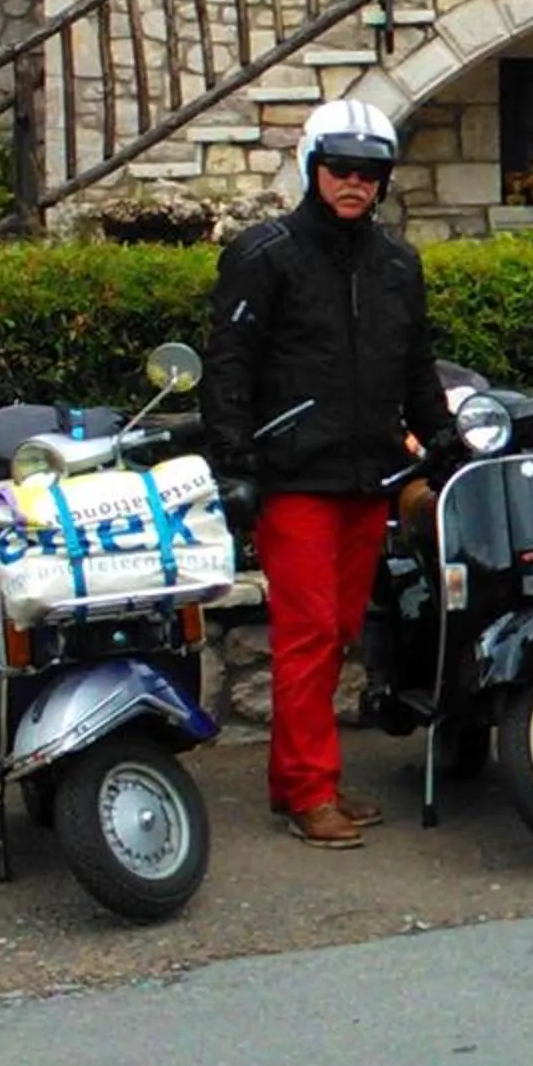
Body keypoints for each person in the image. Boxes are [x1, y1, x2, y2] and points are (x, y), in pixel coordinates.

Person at [203, 99, 456, 848]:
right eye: (340, 168)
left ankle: (297, 779)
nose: (353, 183)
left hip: (368, 474)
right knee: (309, 632)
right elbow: (229, 365)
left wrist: (440, 434)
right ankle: (311, 791)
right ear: (313, 168)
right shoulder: (264, 252)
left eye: (368, 172)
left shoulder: (397, 264)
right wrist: (235, 465)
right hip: (294, 475)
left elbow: (414, 362)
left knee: (342, 629)